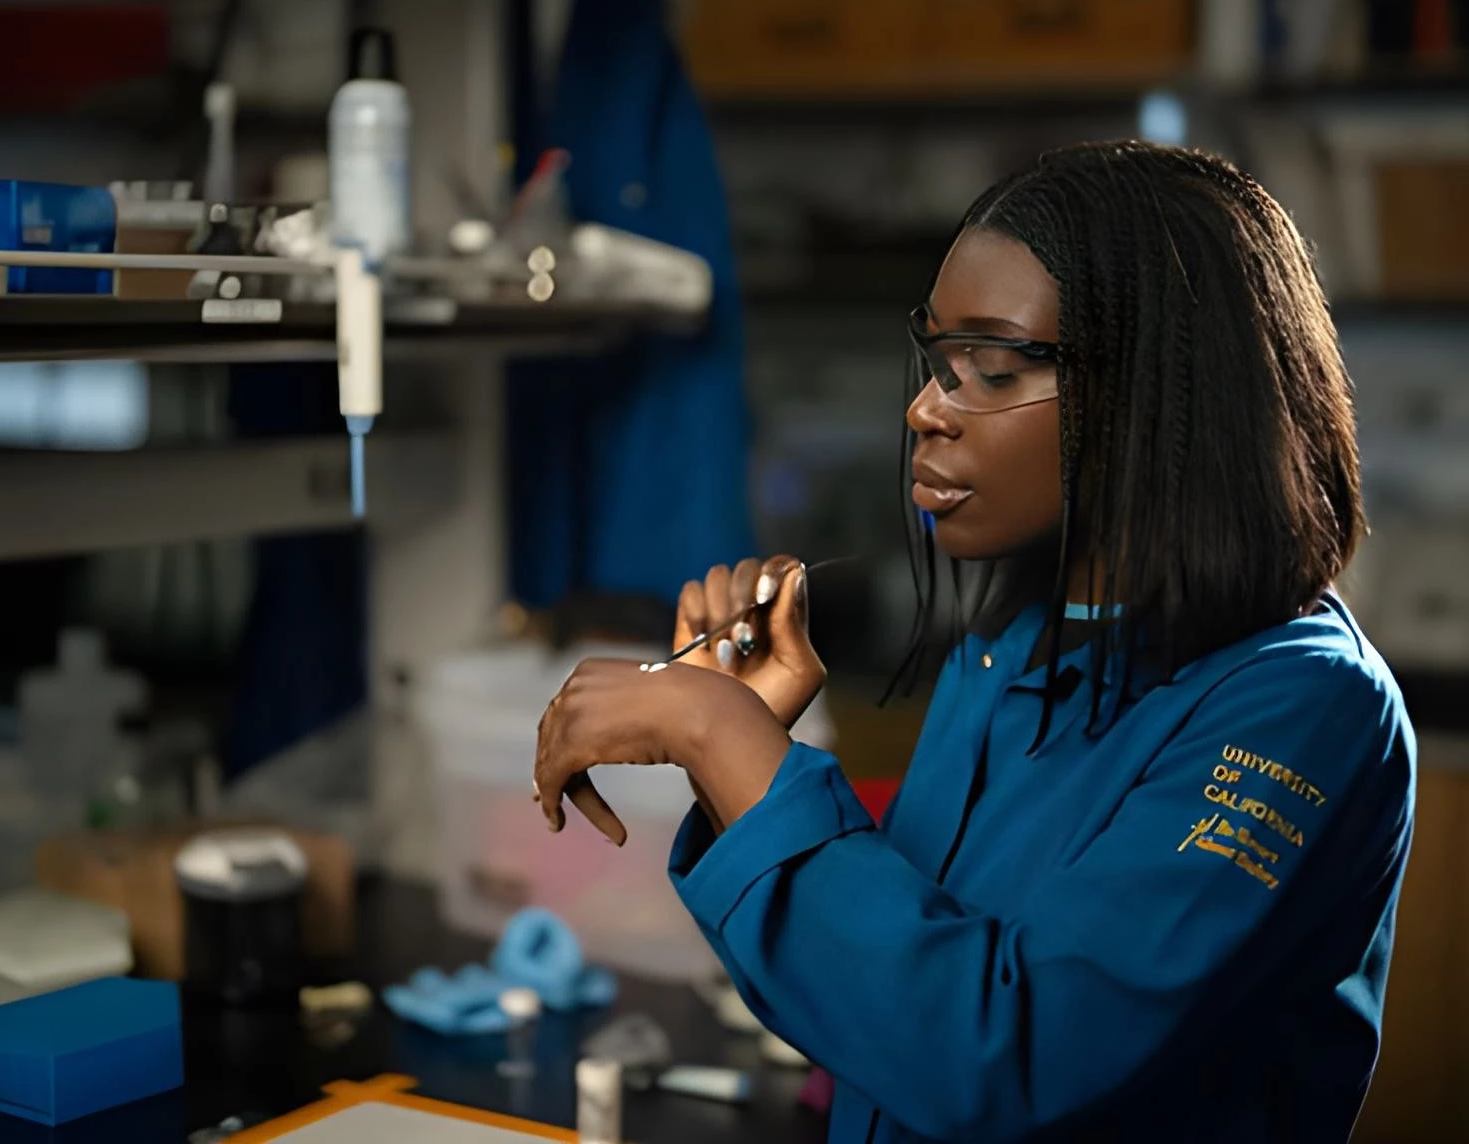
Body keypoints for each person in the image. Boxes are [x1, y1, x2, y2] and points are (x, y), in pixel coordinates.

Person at [531, 141, 1414, 1143]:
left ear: (1160, 399)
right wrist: (754, 772)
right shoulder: (1010, 645)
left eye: (988, 371)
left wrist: (728, 745)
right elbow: (887, 1013)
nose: (924, 411)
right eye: (938, 364)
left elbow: (1003, 1056)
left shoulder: (1306, 706)